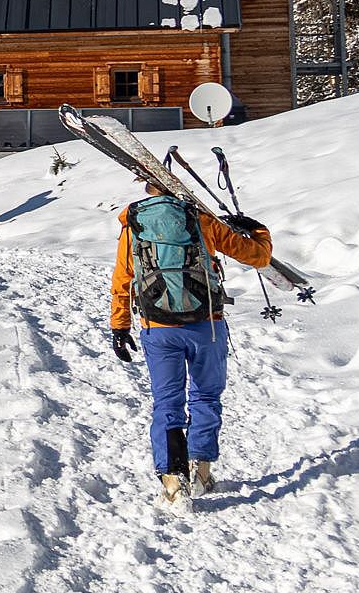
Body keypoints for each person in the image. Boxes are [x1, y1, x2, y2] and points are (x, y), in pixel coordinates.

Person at [108, 175, 273, 504]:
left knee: (167, 403)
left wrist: (120, 325)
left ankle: (172, 481)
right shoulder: (202, 220)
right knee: (206, 397)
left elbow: (123, 277)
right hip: (206, 326)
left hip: (158, 326)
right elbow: (258, 257)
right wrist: (257, 231)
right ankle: (201, 473)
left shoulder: (134, 225)